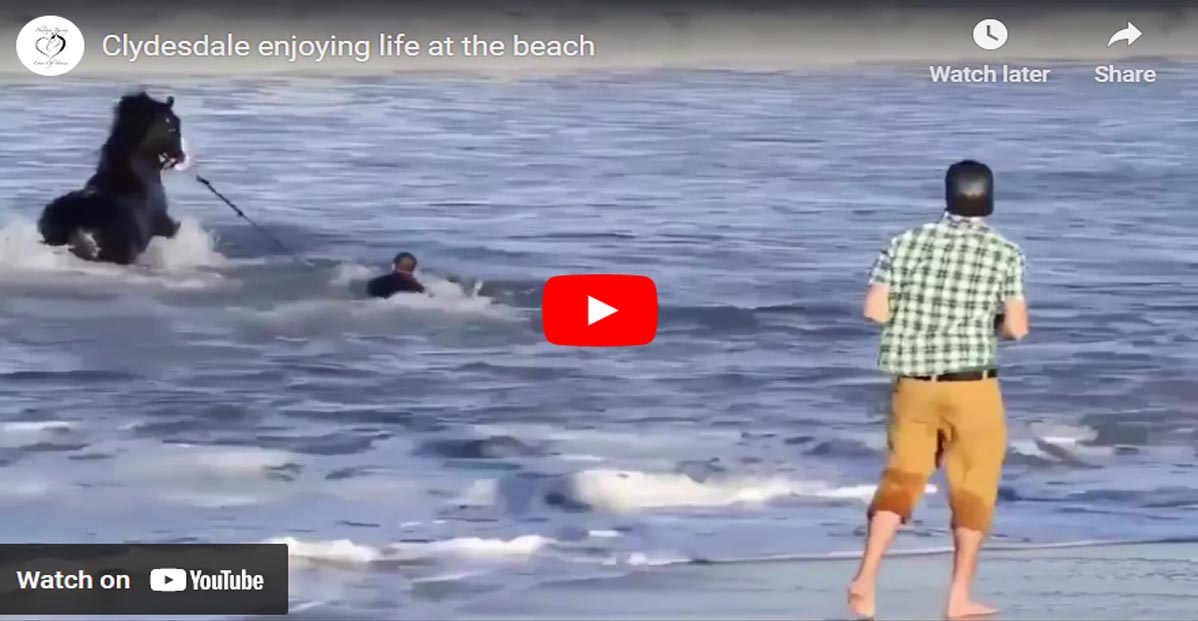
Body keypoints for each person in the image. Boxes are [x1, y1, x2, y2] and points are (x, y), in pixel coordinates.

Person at [847, 160, 1029, 620]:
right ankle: (958, 598)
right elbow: (1018, 329)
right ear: (988, 198)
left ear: (947, 196)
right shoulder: (1005, 253)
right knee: (973, 490)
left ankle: (865, 582)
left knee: (901, 481)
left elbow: (874, 311)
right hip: (973, 386)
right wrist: (987, 328)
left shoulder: (904, 243)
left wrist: (916, 321)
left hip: (913, 386)